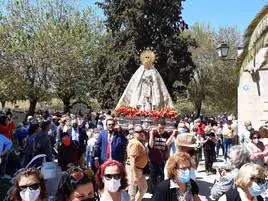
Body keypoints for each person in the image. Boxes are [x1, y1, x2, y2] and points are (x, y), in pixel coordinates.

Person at [148, 120, 173, 193]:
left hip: (162, 159)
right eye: (159, 128)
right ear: (157, 127)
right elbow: (151, 145)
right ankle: (153, 191)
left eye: (162, 128)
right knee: (153, 176)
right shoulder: (153, 133)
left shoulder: (166, 134)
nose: (160, 130)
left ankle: (160, 191)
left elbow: (167, 145)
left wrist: (172, 134)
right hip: (153, 159)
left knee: (162, 176)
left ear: (164, 128)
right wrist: (152, 134)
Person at [126, 126, 148, 201]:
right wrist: (135, 175)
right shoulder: (135, 143)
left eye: (142, 131)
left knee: (144, 188)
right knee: (132, 192)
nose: (140, 133)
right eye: (138, 132)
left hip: (139, 170)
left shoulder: (139, 142)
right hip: (134, 169)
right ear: (134, 133)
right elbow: (132, 160)